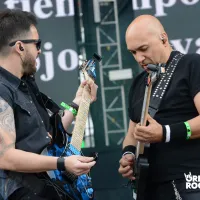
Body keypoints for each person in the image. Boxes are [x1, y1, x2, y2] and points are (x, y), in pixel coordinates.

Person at [0, 9, 98, 200]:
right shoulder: (2, 89)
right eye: (37, 44)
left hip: (45, 187)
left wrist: (78, 102)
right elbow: (5, 156)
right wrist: (62, 163)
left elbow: (50, 134)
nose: (40, 50)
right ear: (20, 47)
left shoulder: (26, 84)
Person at [118, 14, 200, 200]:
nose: (139, 58)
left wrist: (165, 132)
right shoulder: (139, 83)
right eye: (133, 52)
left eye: (143, 49)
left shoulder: (191, 64)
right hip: (149, 186)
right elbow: (132, 134)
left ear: (163, 38)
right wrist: (128, 154)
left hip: (190, 180)